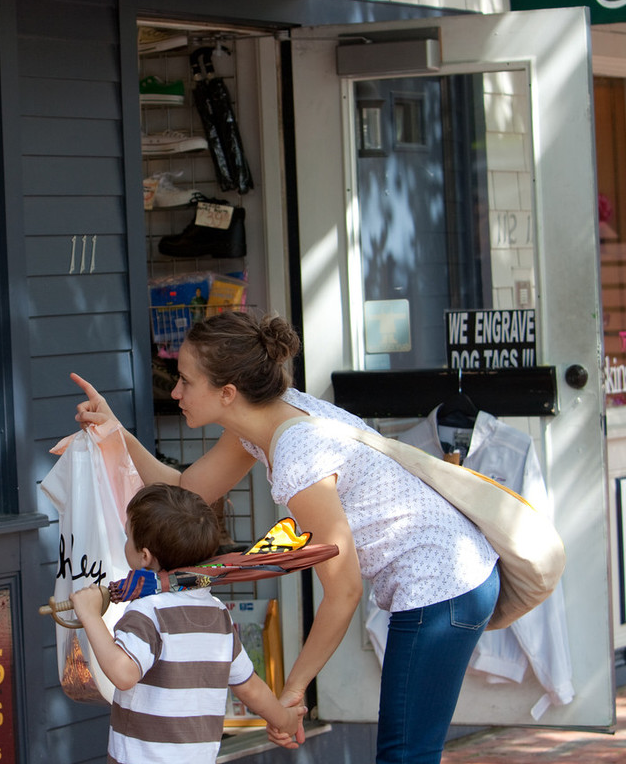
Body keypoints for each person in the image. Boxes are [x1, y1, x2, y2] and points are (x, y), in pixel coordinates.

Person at [72, 310, 501, 764]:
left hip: (444, 584)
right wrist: (115, 434)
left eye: (184, 380)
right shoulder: (263, 417)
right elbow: (186, 491)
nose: (175, 392)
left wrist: (293, 691)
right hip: (449, 579)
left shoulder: (298, 454)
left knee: (405, 755)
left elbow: (344, 590)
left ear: (228, 392)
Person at [69, 482, 306, 763]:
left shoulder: (148, 611)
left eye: (127, 536)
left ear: (144, 556)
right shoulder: (218, 614)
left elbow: (123, 674)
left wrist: (90, 615)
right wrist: (284, 718)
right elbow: (249, 686)